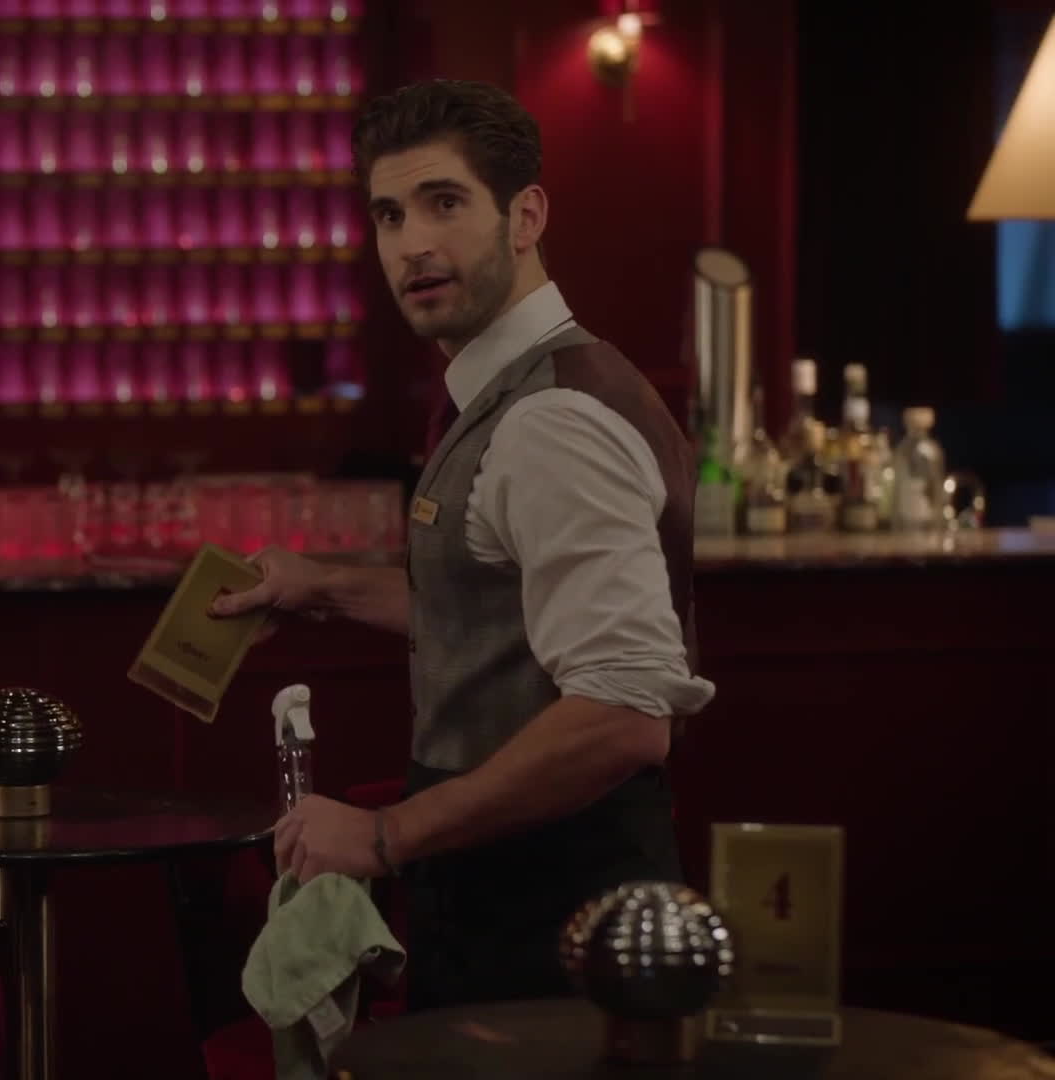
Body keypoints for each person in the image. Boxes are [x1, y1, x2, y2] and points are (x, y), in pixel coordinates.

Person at [210, 78, 716, 1009]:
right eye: (390, 214)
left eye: (444, 203)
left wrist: (384, 836)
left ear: (525, 217)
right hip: (510, 893)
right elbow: (504, 607)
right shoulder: (519, 388)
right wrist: (321, 587)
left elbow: (624, 708)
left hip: (558, 912)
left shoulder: (552, 420)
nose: (413, 243)